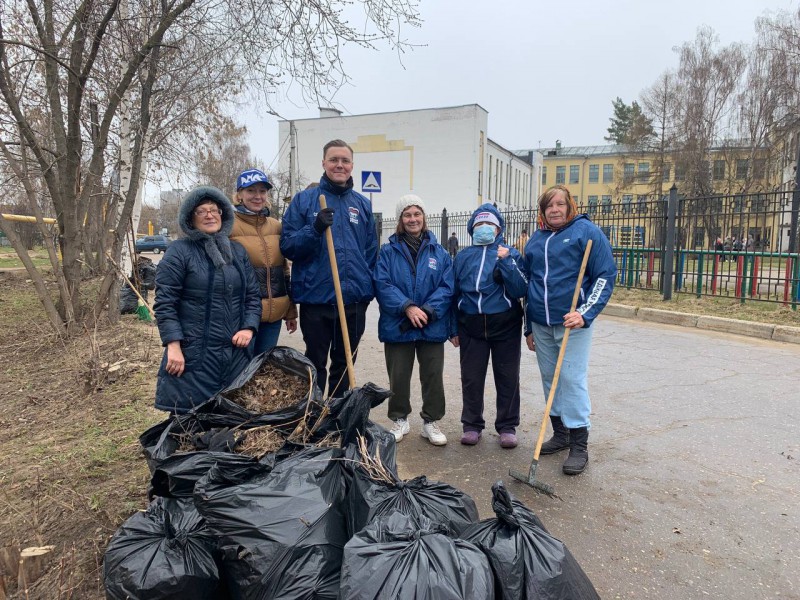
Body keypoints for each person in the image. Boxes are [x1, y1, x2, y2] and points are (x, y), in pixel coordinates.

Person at [524, 184, 616, 475]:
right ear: (543, 211)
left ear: (569, 207)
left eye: (560, 204)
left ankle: (579, 445)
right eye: (549, 205)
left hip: (572, 322)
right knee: (551, 378)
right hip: (541, 322)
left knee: (572, 379)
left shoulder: (586, 232)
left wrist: (584, 313)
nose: (555, 210)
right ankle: (560, 434)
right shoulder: (536, 241)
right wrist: (528, 327)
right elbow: (529, 286)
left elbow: (605, 275)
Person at [280, 139, 378, 398]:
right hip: (317, 298)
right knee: (314, 362)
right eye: (334, 159)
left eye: (345, 160)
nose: (339, 165)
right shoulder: (305, 201)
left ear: (352, 165)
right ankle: (313, 414)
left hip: (354, 301)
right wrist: (314, 229)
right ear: (323, 162)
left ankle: (336, 414)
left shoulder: (362, 204)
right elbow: (288, 246)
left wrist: (364, 286)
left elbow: (370, 252)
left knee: (345, 363)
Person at [154, 186, 261, 413]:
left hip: (233, 356)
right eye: (201, 211)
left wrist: (249, 328)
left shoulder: (237, 252)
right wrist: (173, 345)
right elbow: (165, 303)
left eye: (214, 210)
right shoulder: (179, 251)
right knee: (189, 422)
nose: (210, 215)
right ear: (190, 218)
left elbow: (252, 296)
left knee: (230, 419)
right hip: (193, 355)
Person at [374, 195, 454, 445]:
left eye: (416, 214)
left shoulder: (439, 253)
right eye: (407, 215)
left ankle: (430, 421)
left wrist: (428, 310)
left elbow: (447, 286)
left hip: (431, 325)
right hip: (399, 325)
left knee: (432, 375)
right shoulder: (387, 252)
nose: (412, 219)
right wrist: (407, 307)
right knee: (398, 376)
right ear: (400, 219)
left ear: (424, 217)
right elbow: (382, 284)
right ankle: (400, 419)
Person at [451, 204, 528, 448]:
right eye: (479, 225)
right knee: (471, 378)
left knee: (507, 377)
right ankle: (471, 425)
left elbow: (520, 289)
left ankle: (507, 426)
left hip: (505, 323)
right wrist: (453, 328)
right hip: (471, 324)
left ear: (499, 229)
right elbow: (452, 293)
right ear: (472, 228)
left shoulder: (510, 253)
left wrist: (506, 263)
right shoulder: (462, 257)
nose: (485, 229)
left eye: (490, 225)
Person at [230, 168, 297, 355]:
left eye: (262, 191)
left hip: (273, 316)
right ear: (239, 195)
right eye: (251, 191)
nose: (257, 196)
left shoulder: (276, 226)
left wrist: (290, 311)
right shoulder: (228, 226)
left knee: (263, 369)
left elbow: (283, 270)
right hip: (242, 316)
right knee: (240, 370)